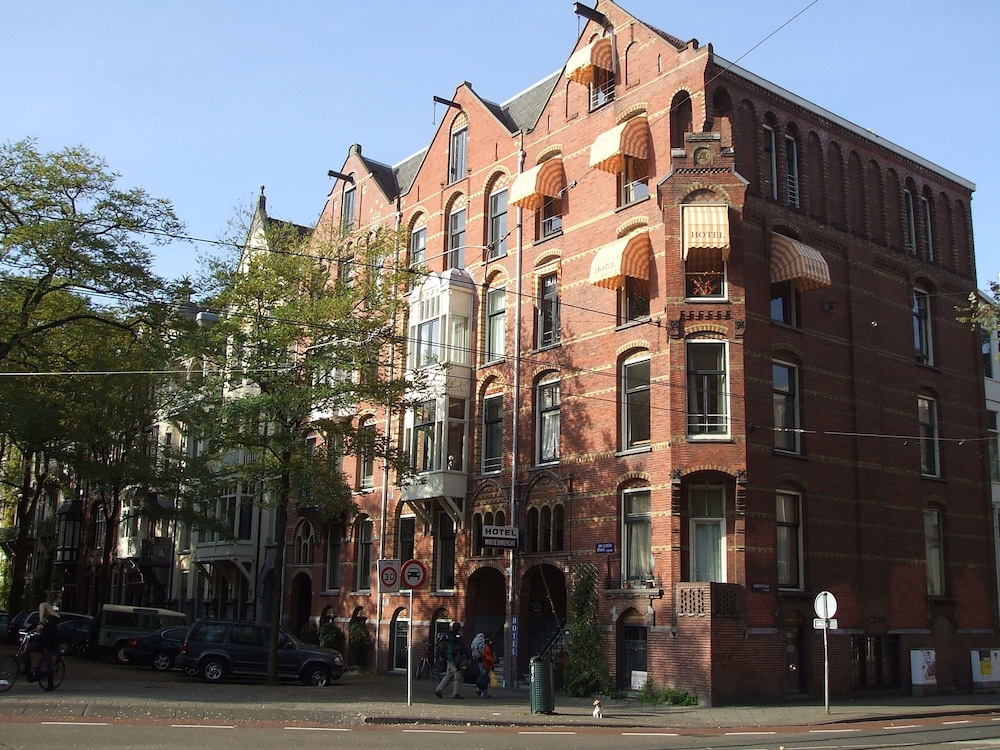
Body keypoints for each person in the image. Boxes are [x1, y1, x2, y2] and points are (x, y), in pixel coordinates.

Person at [22, 593, 61, 690]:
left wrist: (43, 627)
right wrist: (26, 629)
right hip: (41, 640)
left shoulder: (53, 618)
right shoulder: (42, 618)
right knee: (27, 650)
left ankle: (50, 684)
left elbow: (51, 628)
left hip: (49, 642)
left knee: (48, 661)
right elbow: (35, 625)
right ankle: (27, 670)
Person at [434, 621, 470, 699]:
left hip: (449, 658)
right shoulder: (457, 637)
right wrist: (468, 656)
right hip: (455, 659)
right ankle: (456, 693)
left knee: (449, 675)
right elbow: (462, 648)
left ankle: (438, 690)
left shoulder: (448, 636)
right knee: (458, 675)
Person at [476, 630, 495, 698]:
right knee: (485, 678)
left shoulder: (480, 641)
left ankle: (478, 689)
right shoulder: (487, 643)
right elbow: (488, 654)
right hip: (485, 662)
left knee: (482, 675)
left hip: (480, 660)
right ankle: (484, 694)